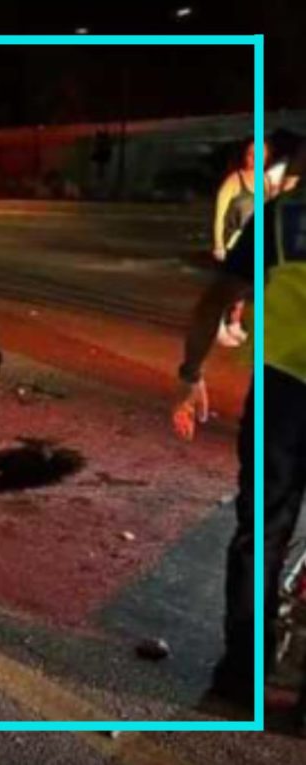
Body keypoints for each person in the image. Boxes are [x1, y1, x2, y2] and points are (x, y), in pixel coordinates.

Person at [173, 141, 306, 724]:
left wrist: (190, 373)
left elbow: (214, 302)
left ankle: (241, 677)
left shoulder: (277, 220)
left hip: (283, 396)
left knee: (261, 535)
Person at [212, 139, 271, 261]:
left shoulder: (267, 180)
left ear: (266, 156)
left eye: (260, 154)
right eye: (251, 154)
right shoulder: (232, 182)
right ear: (244, 156)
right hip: (235, 243)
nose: (255, 158)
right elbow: (219, 218)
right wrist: (219, 246)